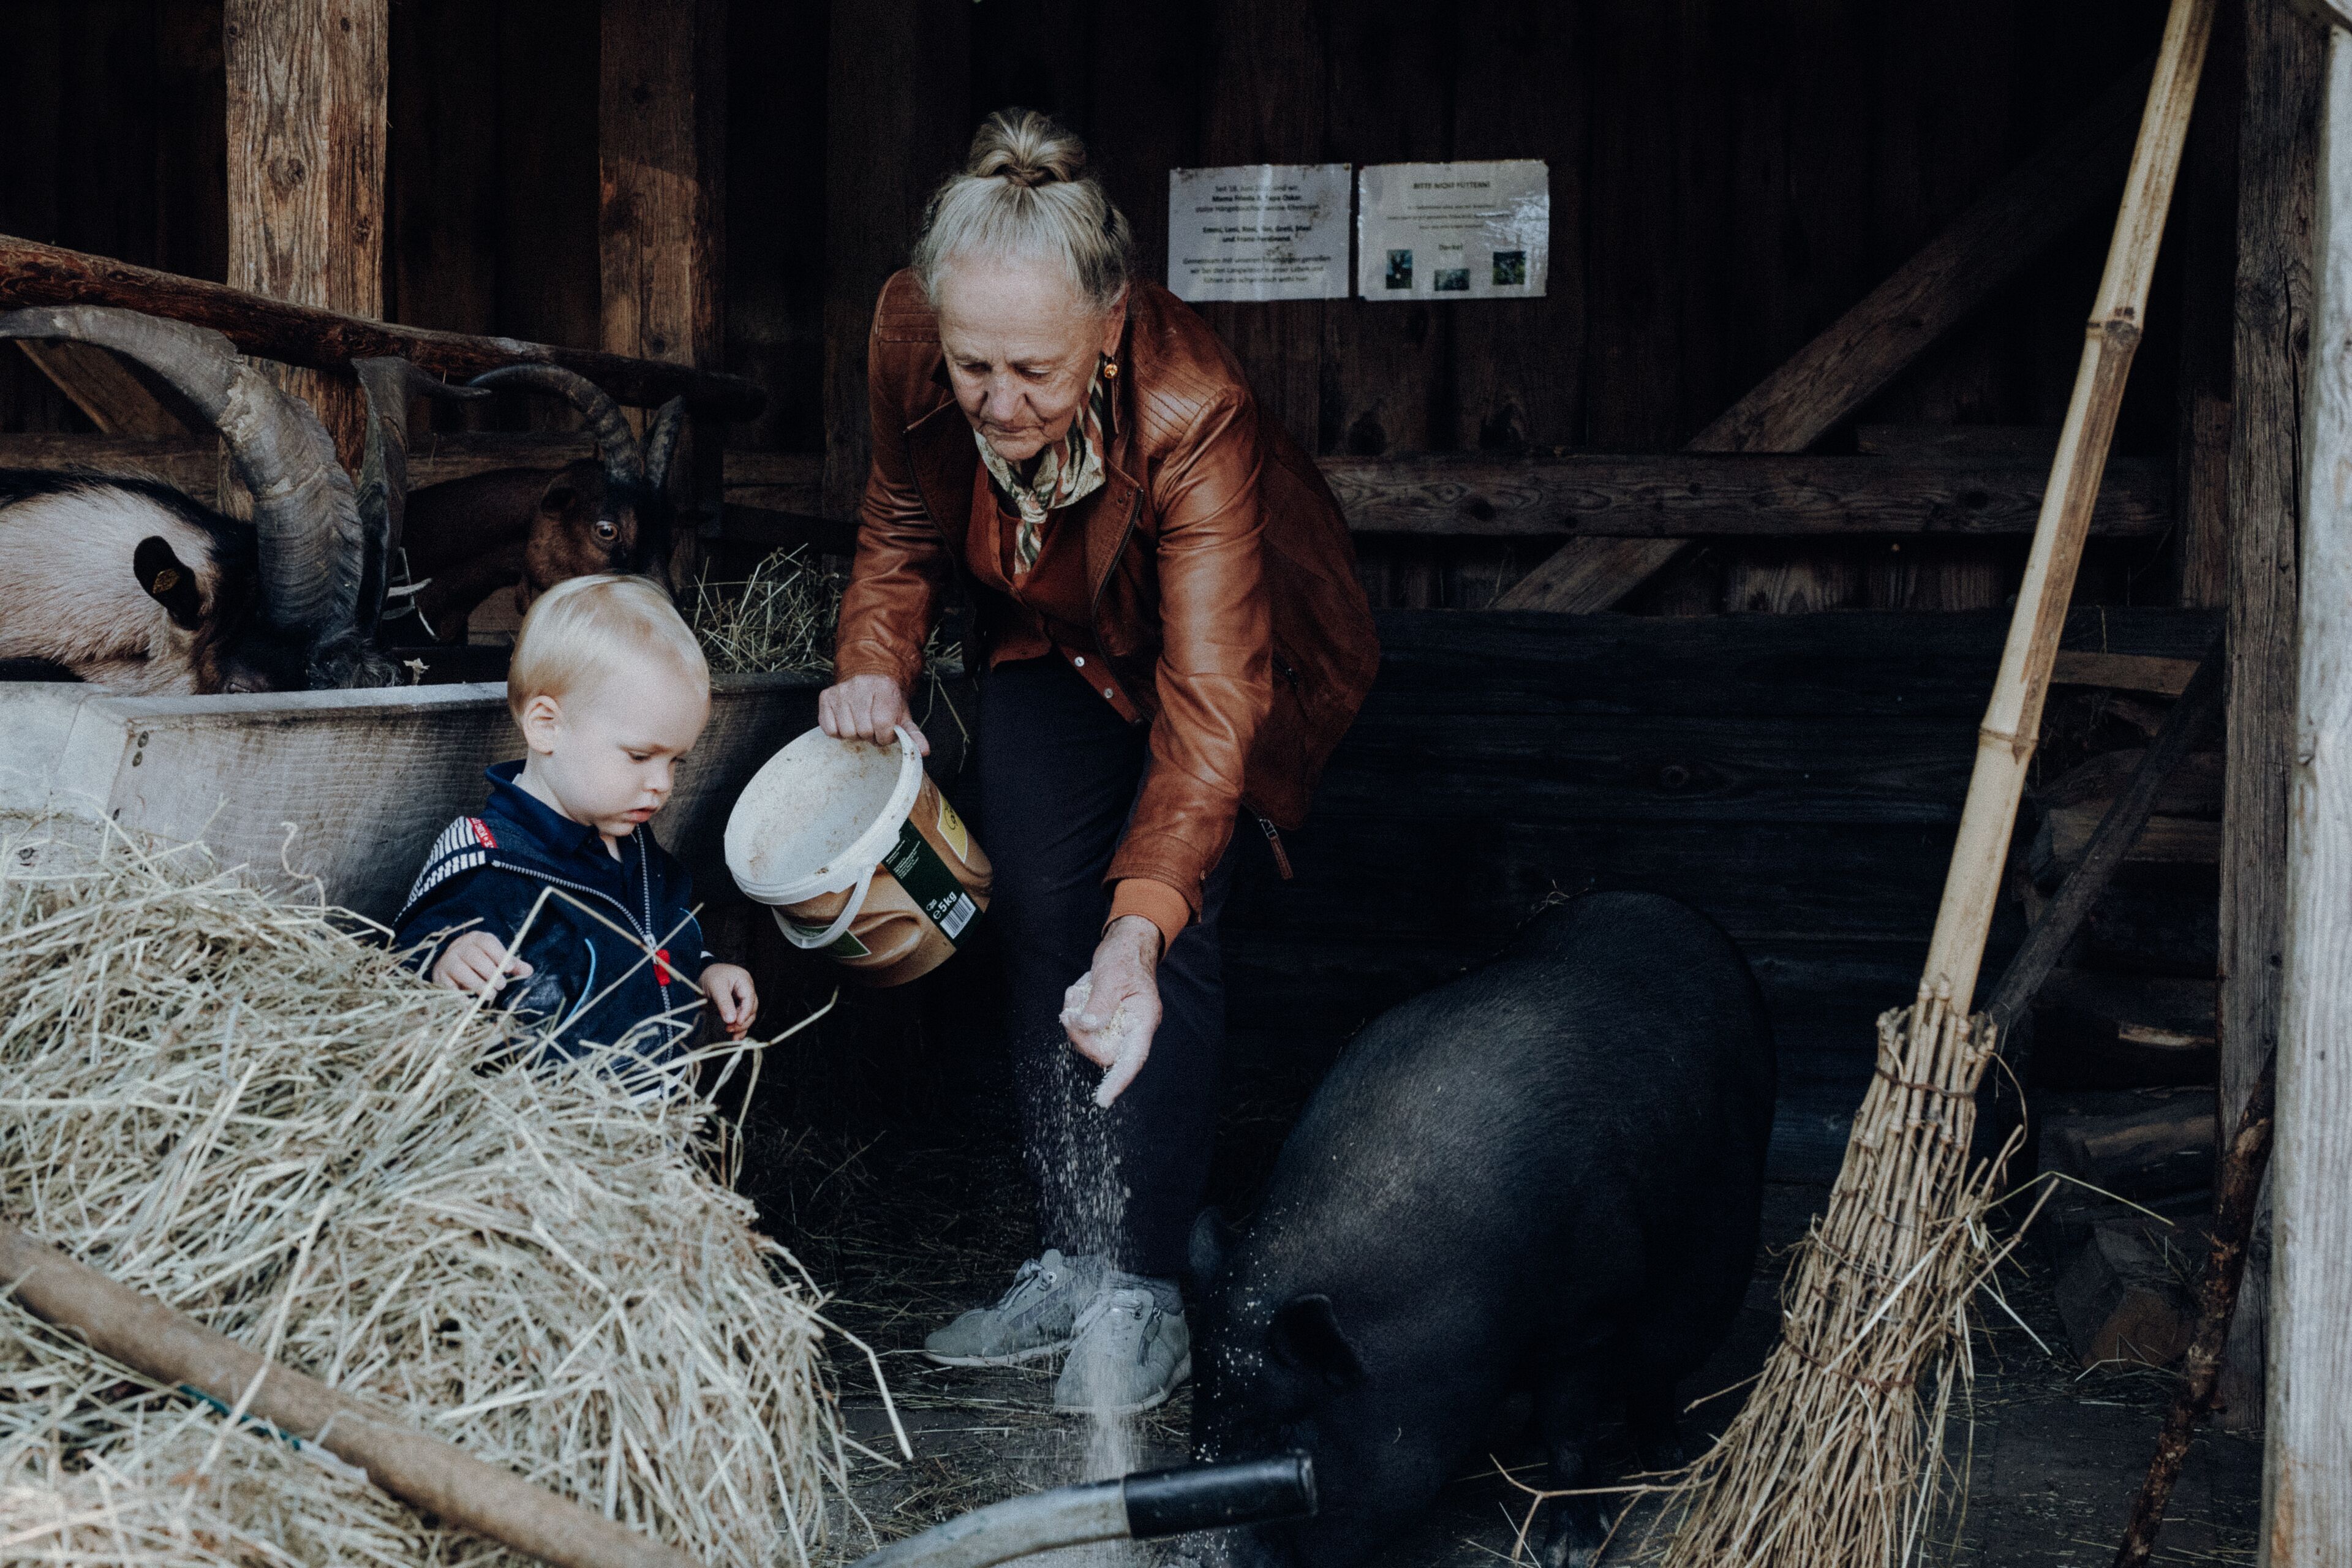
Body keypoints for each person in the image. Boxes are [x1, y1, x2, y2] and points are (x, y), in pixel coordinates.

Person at [821, 109, 1378, 1413]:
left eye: (1033, 370)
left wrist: (1139, 928)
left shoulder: (1196, 411)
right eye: (975, 369)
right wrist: (874, 658)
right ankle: (1080, 1255)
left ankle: (1143, 1297)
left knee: (1152, 936)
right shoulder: (914, 331)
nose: (999, 403)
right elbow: (903, 516)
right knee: (1041, 917)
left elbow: (1207, 706)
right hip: (1054, 636)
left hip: (1229, 665)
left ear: (1111, 323)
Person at [394, 573, 759, 1063]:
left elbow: (664, 932)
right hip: (544, 1125)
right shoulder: (490, 858)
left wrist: (706, 969)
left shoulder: (636, 848)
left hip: (652, 1117)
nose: (663, 784)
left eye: (677, 761)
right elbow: (404, 965)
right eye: (639, 756)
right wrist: (444, 960)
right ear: (547, 726)